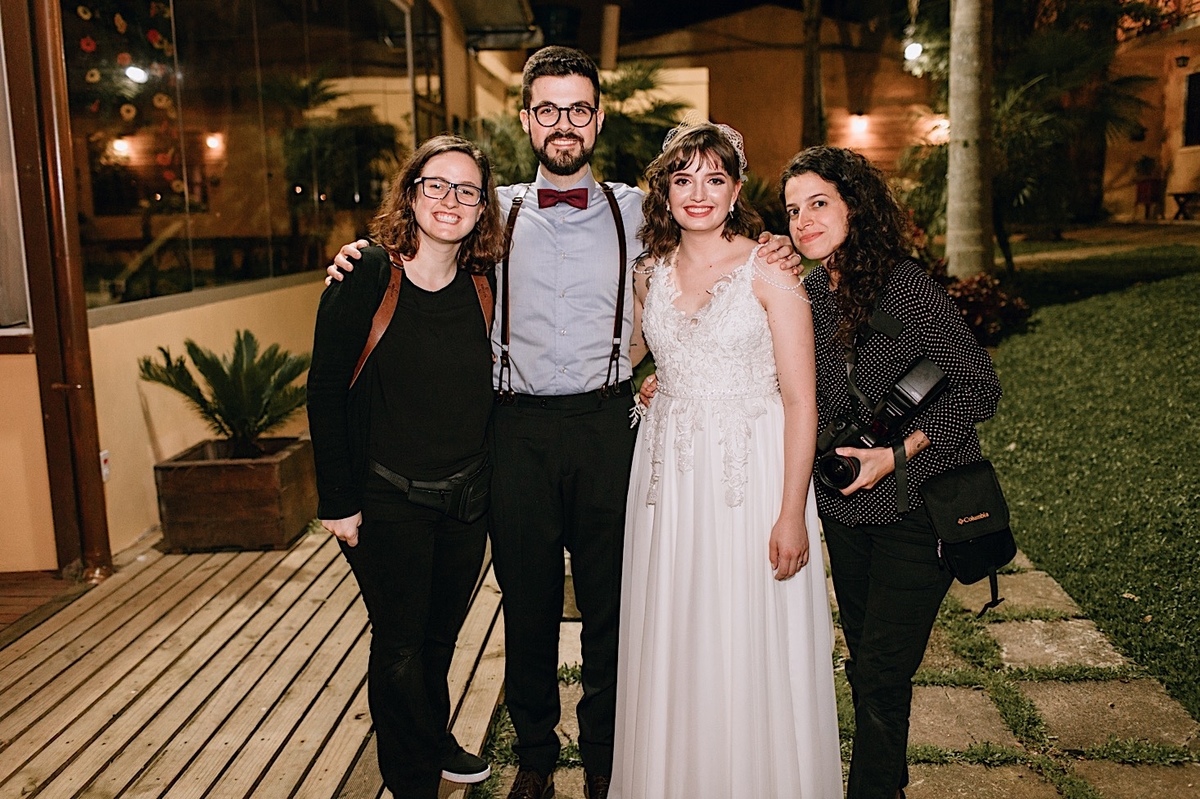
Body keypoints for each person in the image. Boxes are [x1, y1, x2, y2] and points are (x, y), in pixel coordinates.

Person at [326, 47, 800, 799]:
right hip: (514, 433)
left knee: (614, 604)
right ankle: (536, 757)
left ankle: (607, 756)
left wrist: (774, 243)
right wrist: (359, 255)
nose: (563, 123)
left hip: (609, 426)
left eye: (578, 109)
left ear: (598, 119)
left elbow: (711, 248)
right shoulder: (488, 210)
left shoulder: (641, 210)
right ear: (526, 119)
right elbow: (420, 242)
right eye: (547, 109)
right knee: (529, 606)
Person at [611, 122, 842, 798]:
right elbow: (633, 354)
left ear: (737, 190)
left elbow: (801, 400)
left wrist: (792, 514)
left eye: (714, 179)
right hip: (669, 482)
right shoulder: (648, 273)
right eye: (683, 179)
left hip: (749, 477)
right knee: (675, 632)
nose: (698, 193)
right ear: (665, 191)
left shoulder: (771, 269)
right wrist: (657, 381)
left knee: (743, 633)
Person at [780, 146, 1003, 799]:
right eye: (792, 210)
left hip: (919, 509)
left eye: (818, 203)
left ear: (855, 206)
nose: (803, 220)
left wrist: (897, 452)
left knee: (881, 668)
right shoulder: (808, 294)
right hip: (847, 511)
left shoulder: (907, 286)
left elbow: (977, 387)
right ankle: (889, 781)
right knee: (867, 661)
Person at [306, 135, 504, 798]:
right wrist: (337, 500)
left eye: (466, 190)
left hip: (464, 499)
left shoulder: (485, 281)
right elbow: (325, 388)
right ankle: (411, 780)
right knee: (399, 647)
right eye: (436, 185)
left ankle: (432, 738)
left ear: (482, 207)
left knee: (440, 638)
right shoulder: (366, 271)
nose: (450, 200)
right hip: (386, 498)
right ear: (411, 194)